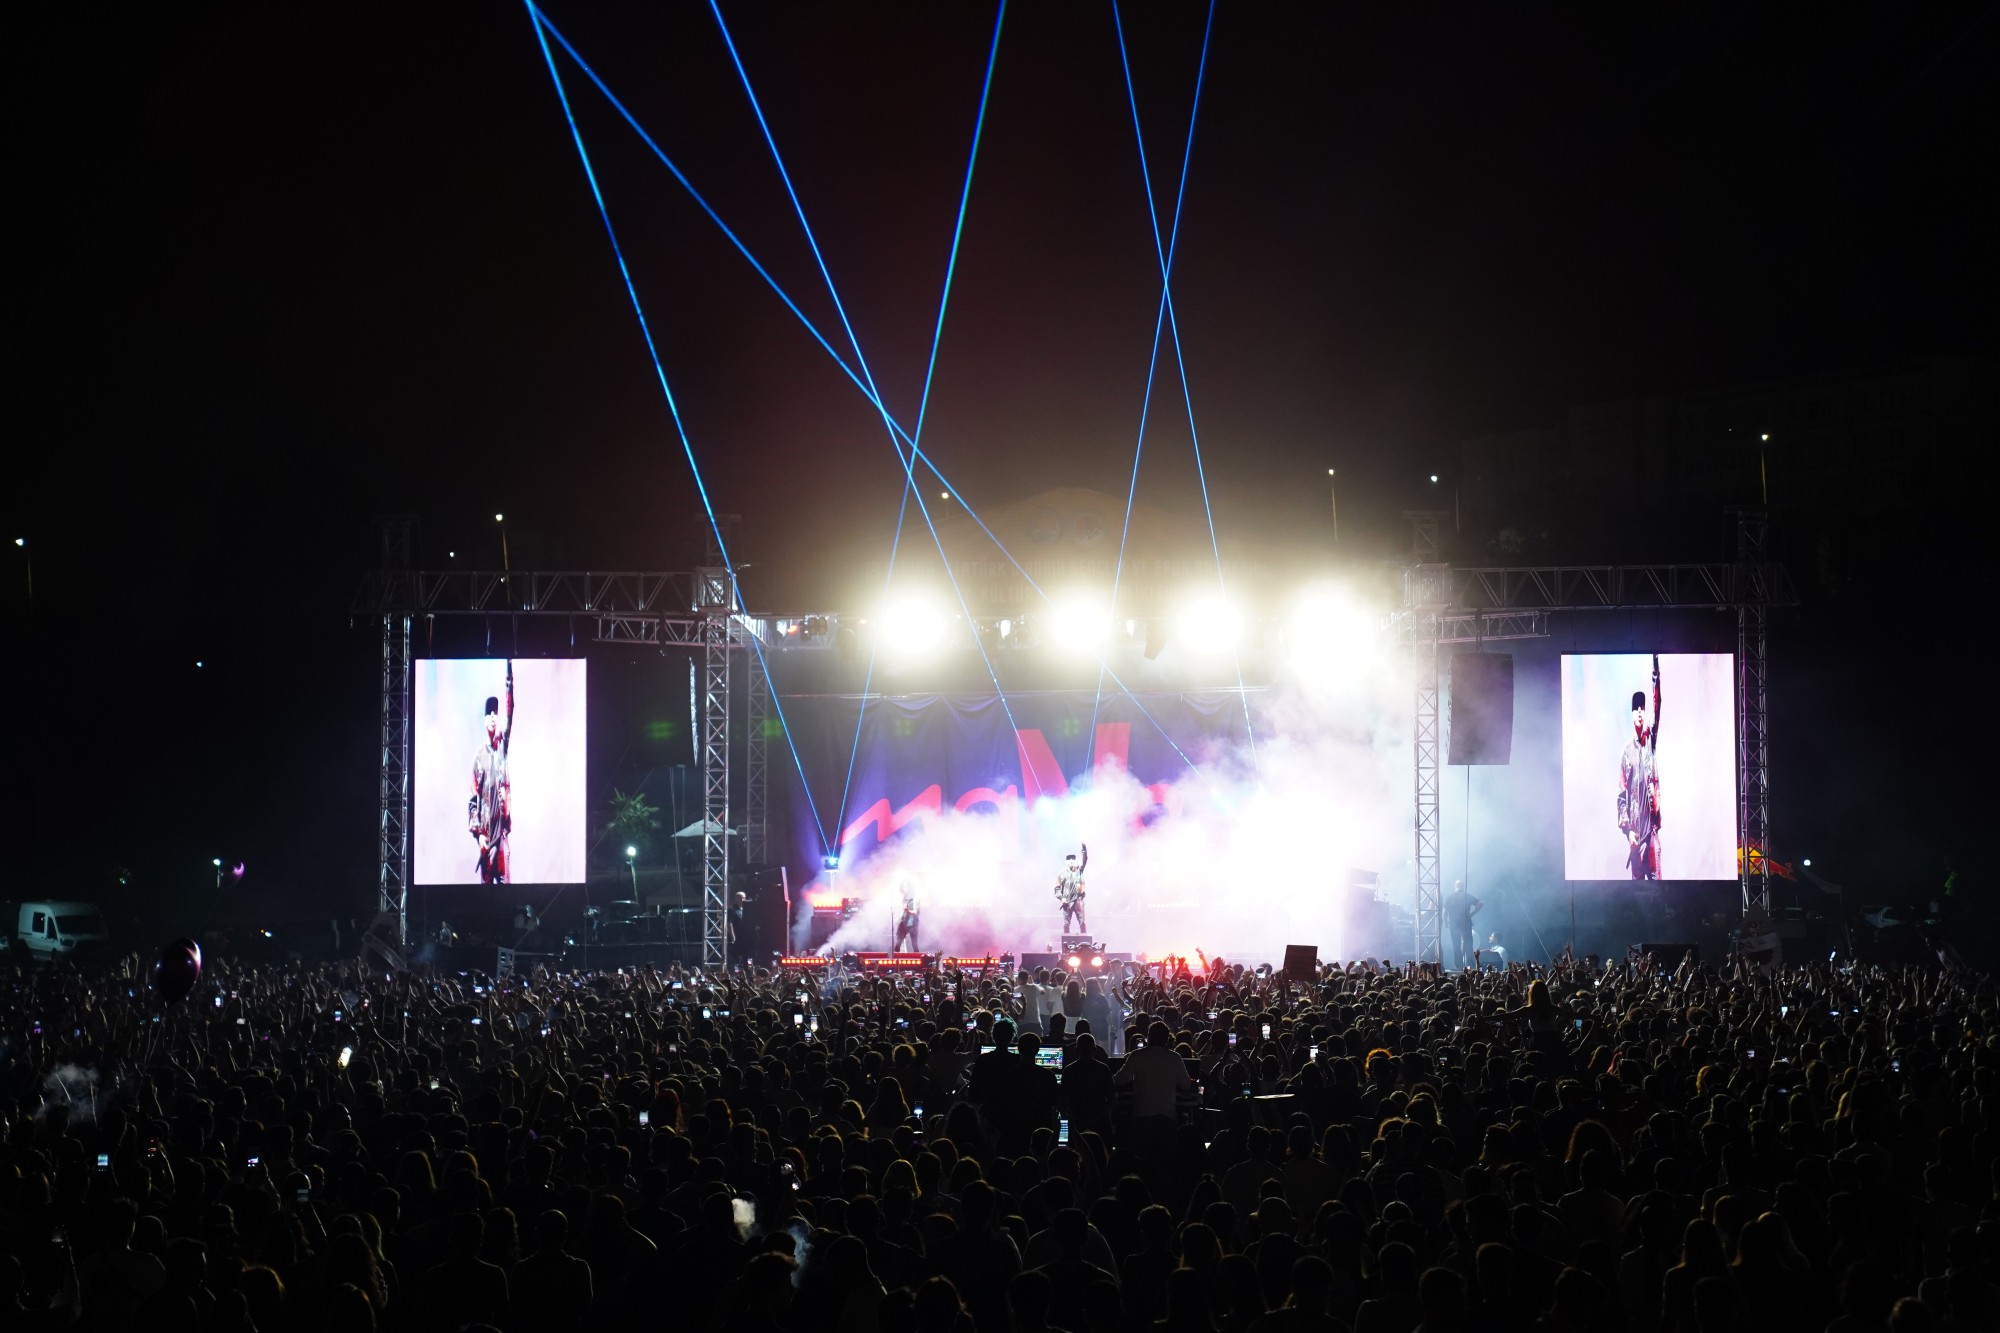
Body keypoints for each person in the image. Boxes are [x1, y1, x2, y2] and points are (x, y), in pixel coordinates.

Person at [469, 658, 514, 883]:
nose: (494, 718)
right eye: (490, 714)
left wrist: (509, 674)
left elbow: (510, 709)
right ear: (484, 719)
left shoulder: (502, 746)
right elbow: (472, 800)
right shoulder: (479, 756)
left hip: (501, 836)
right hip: (486, 838)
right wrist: (478, 836)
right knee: (486, 892)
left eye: (496, 714)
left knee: (507, 888)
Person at [1618, 653, 1661, 880]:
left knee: (1657, 887)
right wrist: (1628, 832)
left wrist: (1655, 672)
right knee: (1636, 893)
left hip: (1651, 833)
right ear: (1631, 714)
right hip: (1635, 834)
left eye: (1643, 709)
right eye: (1637, 709)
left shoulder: (1650, 741)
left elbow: (1658, 705)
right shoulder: (1627, 751)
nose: (1640, 713)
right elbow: (1621, 796)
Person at [1445, 881, 1483, 970]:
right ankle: (1470, 966)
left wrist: (1445, 921)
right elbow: (1480, 903)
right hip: (1466, 924)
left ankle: (1459, 967)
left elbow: (1444, 911)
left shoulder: (1450, 897)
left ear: (1455, 886)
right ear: (1463, 886)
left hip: (1454, 925)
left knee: (1456, 946)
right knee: (1468, 945)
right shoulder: (1467, 896)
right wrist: (1472, 913)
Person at [1055, 844, 1088, 935]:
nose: (1071, 861)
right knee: (1066, 924)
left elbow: (1085, 860)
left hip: (1078, 900)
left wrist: (1084, 848)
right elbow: (1057, 888)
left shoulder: (1079, 870)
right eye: (1069, 859)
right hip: (1067, 902)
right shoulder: (1061, 874)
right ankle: (1066, 942)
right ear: (1066, 862)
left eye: (1073, 859)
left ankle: (1085, 941)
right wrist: (1062, 898)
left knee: (1082, 922)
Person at [894, 881, 922, 952]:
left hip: (912, 924)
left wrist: (907, 911)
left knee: (914, 944)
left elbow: (915, 912)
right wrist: (900, 918)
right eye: (904, 887)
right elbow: (903, 911)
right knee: (898, 943)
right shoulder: (905, 898)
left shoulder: (915, 898)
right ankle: (895, 957)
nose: (905, 889)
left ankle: (917, 957)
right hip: (904, 923)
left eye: (906, 887)